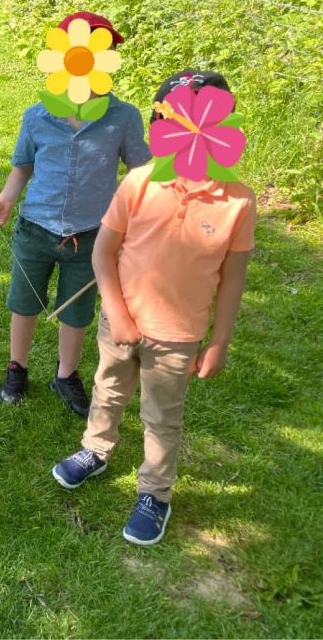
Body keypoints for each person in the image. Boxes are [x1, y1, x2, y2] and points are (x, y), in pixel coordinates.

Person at [52, 70, 255, 545]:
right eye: (175, 121)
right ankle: (95, 449)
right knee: (107, 389)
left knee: (162, 416)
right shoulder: (139, 182)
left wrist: (219, 341)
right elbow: (104, 253)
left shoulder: (238, 202)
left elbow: (233, 280)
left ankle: (155, 493)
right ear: (160, 126)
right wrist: (118, 313)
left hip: (178, 336)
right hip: (120, 320)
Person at [0, 12, 151, 416]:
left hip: (92, 235)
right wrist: (6, 200)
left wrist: (137, 217)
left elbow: (139, 171)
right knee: (24, 301)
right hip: (36, 228)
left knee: (76, 310)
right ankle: (17, 367)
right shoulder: (37, 116)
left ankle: (66, 375)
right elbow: (23, 166)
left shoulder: (123, 117)